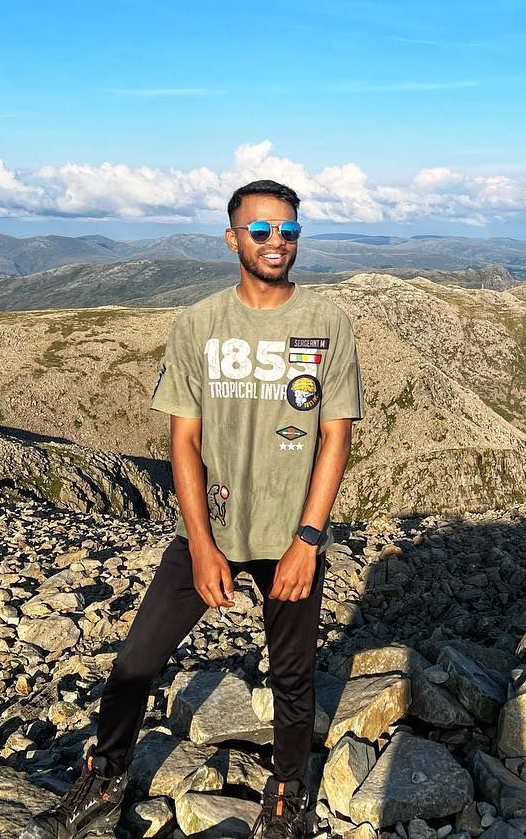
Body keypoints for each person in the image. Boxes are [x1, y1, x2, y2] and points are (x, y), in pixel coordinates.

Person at [33, 178, 362, 839]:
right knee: (135, 663)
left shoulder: (328, 322)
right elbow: (183, 440)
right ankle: (105, 777)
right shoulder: (200, 324)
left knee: (293, 677)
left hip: (289, 534)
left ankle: (287, 789)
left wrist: (307, 539)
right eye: (261, 230)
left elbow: (335, 436)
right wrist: (203, 543)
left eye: (288, 231)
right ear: (233, 236)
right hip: (210, 530)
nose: (276, 243)